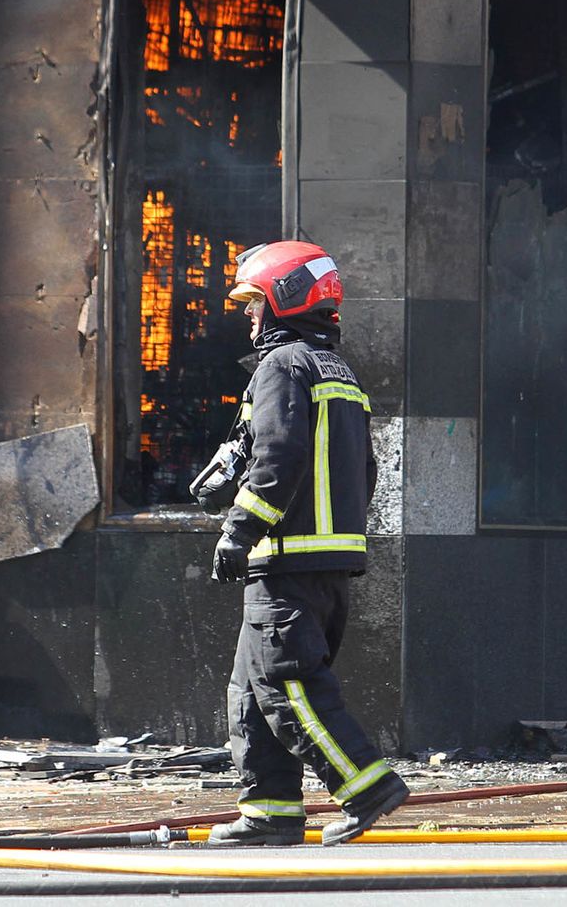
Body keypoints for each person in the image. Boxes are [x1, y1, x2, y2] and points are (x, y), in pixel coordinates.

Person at [204, 241, 409, 847]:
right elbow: (365, 471)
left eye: (254, 301)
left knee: (288, 687)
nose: (249, 315)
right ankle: (270, 812)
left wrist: (239, 530)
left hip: (286, 563)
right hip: (324, 565)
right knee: (251, 691)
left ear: (283, 299)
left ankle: (366, 787)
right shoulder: (337, 372)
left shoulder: (282, 366)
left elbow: (278, 456)